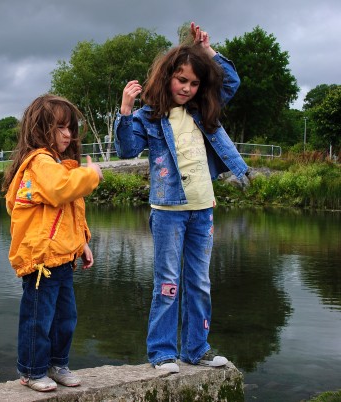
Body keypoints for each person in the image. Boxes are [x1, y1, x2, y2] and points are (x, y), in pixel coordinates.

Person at [114, 23, 248, 374]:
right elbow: (127, 149)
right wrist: (125, 110)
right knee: (168, 283)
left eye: (193, 83)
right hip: (169, 212)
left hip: (202, 210)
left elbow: (231, 82)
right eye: (181, 80)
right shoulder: (150, 117)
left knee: (200, 282)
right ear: (167, 78)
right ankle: (161, 353)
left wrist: (209, 52)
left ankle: (196, 349)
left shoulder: (203, 111)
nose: (187, 88)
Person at [2, 94, 104, 392]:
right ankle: (32, 370)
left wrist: (81, 243)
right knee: (38, 318)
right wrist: (91, 174)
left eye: (70, 127)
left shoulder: (55, 164)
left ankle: (57, 364)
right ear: (40, 129)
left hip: (60, 259)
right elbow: (62, 190)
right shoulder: (40, 163)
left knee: (65, 318)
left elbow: (69, 211)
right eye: (60, 127)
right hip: (40, 261)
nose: (68, 134)